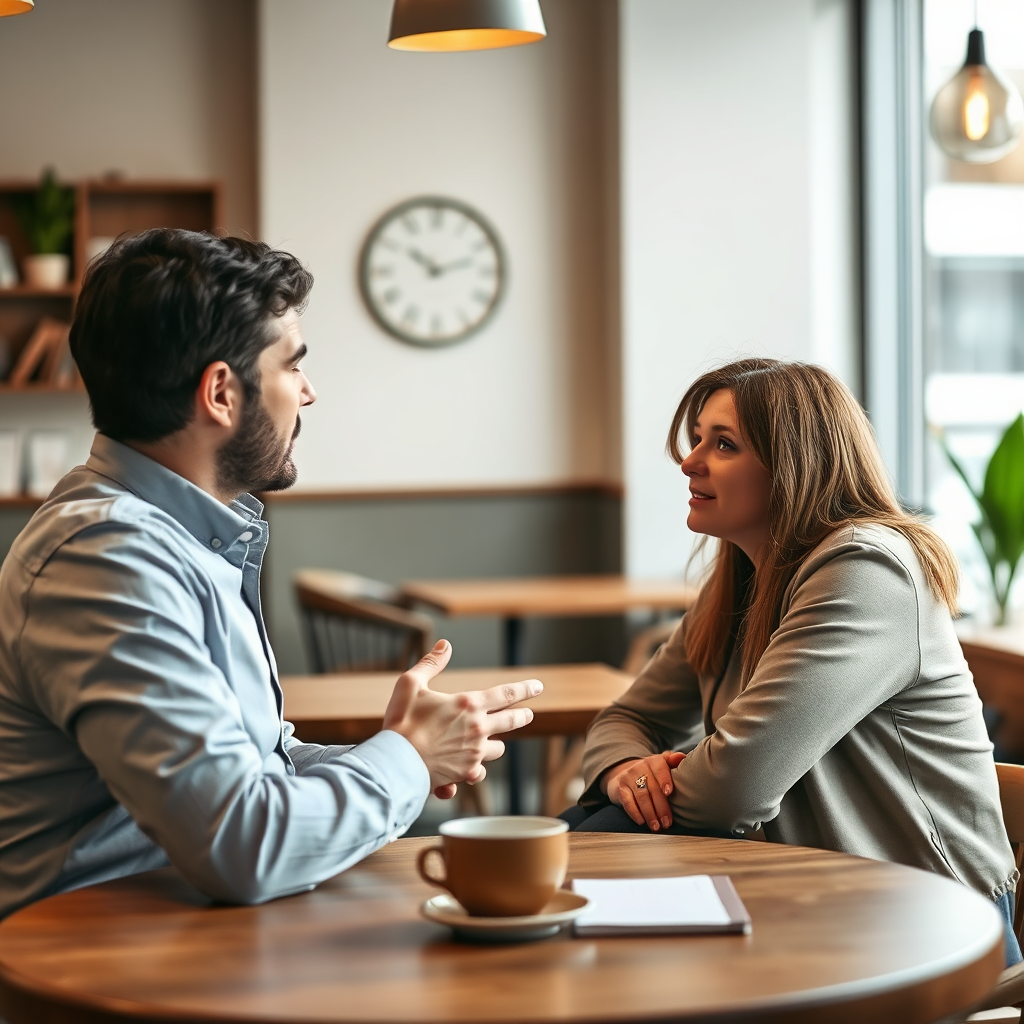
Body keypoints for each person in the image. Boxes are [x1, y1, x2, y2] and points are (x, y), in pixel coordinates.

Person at [0, 228, 540, 920]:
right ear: (222, 392)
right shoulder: (106, 558)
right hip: (101, 969)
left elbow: (262, 763)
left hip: (182, 936)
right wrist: (405, 758)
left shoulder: (175, 538)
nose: (308, 393)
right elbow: (243, 843)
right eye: (293, 365)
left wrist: (403, 749)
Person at [569, 357, 1021, 963]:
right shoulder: (739, 578)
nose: (690, 461)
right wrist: (625, 770)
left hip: (932, 923)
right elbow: (623, 719)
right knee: (585, 895)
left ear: (792, 467)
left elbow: (735, 789)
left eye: (723, 444)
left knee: (576, 878)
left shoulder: (868, 571)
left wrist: (654, 785)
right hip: (806, 894)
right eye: (696, 438)